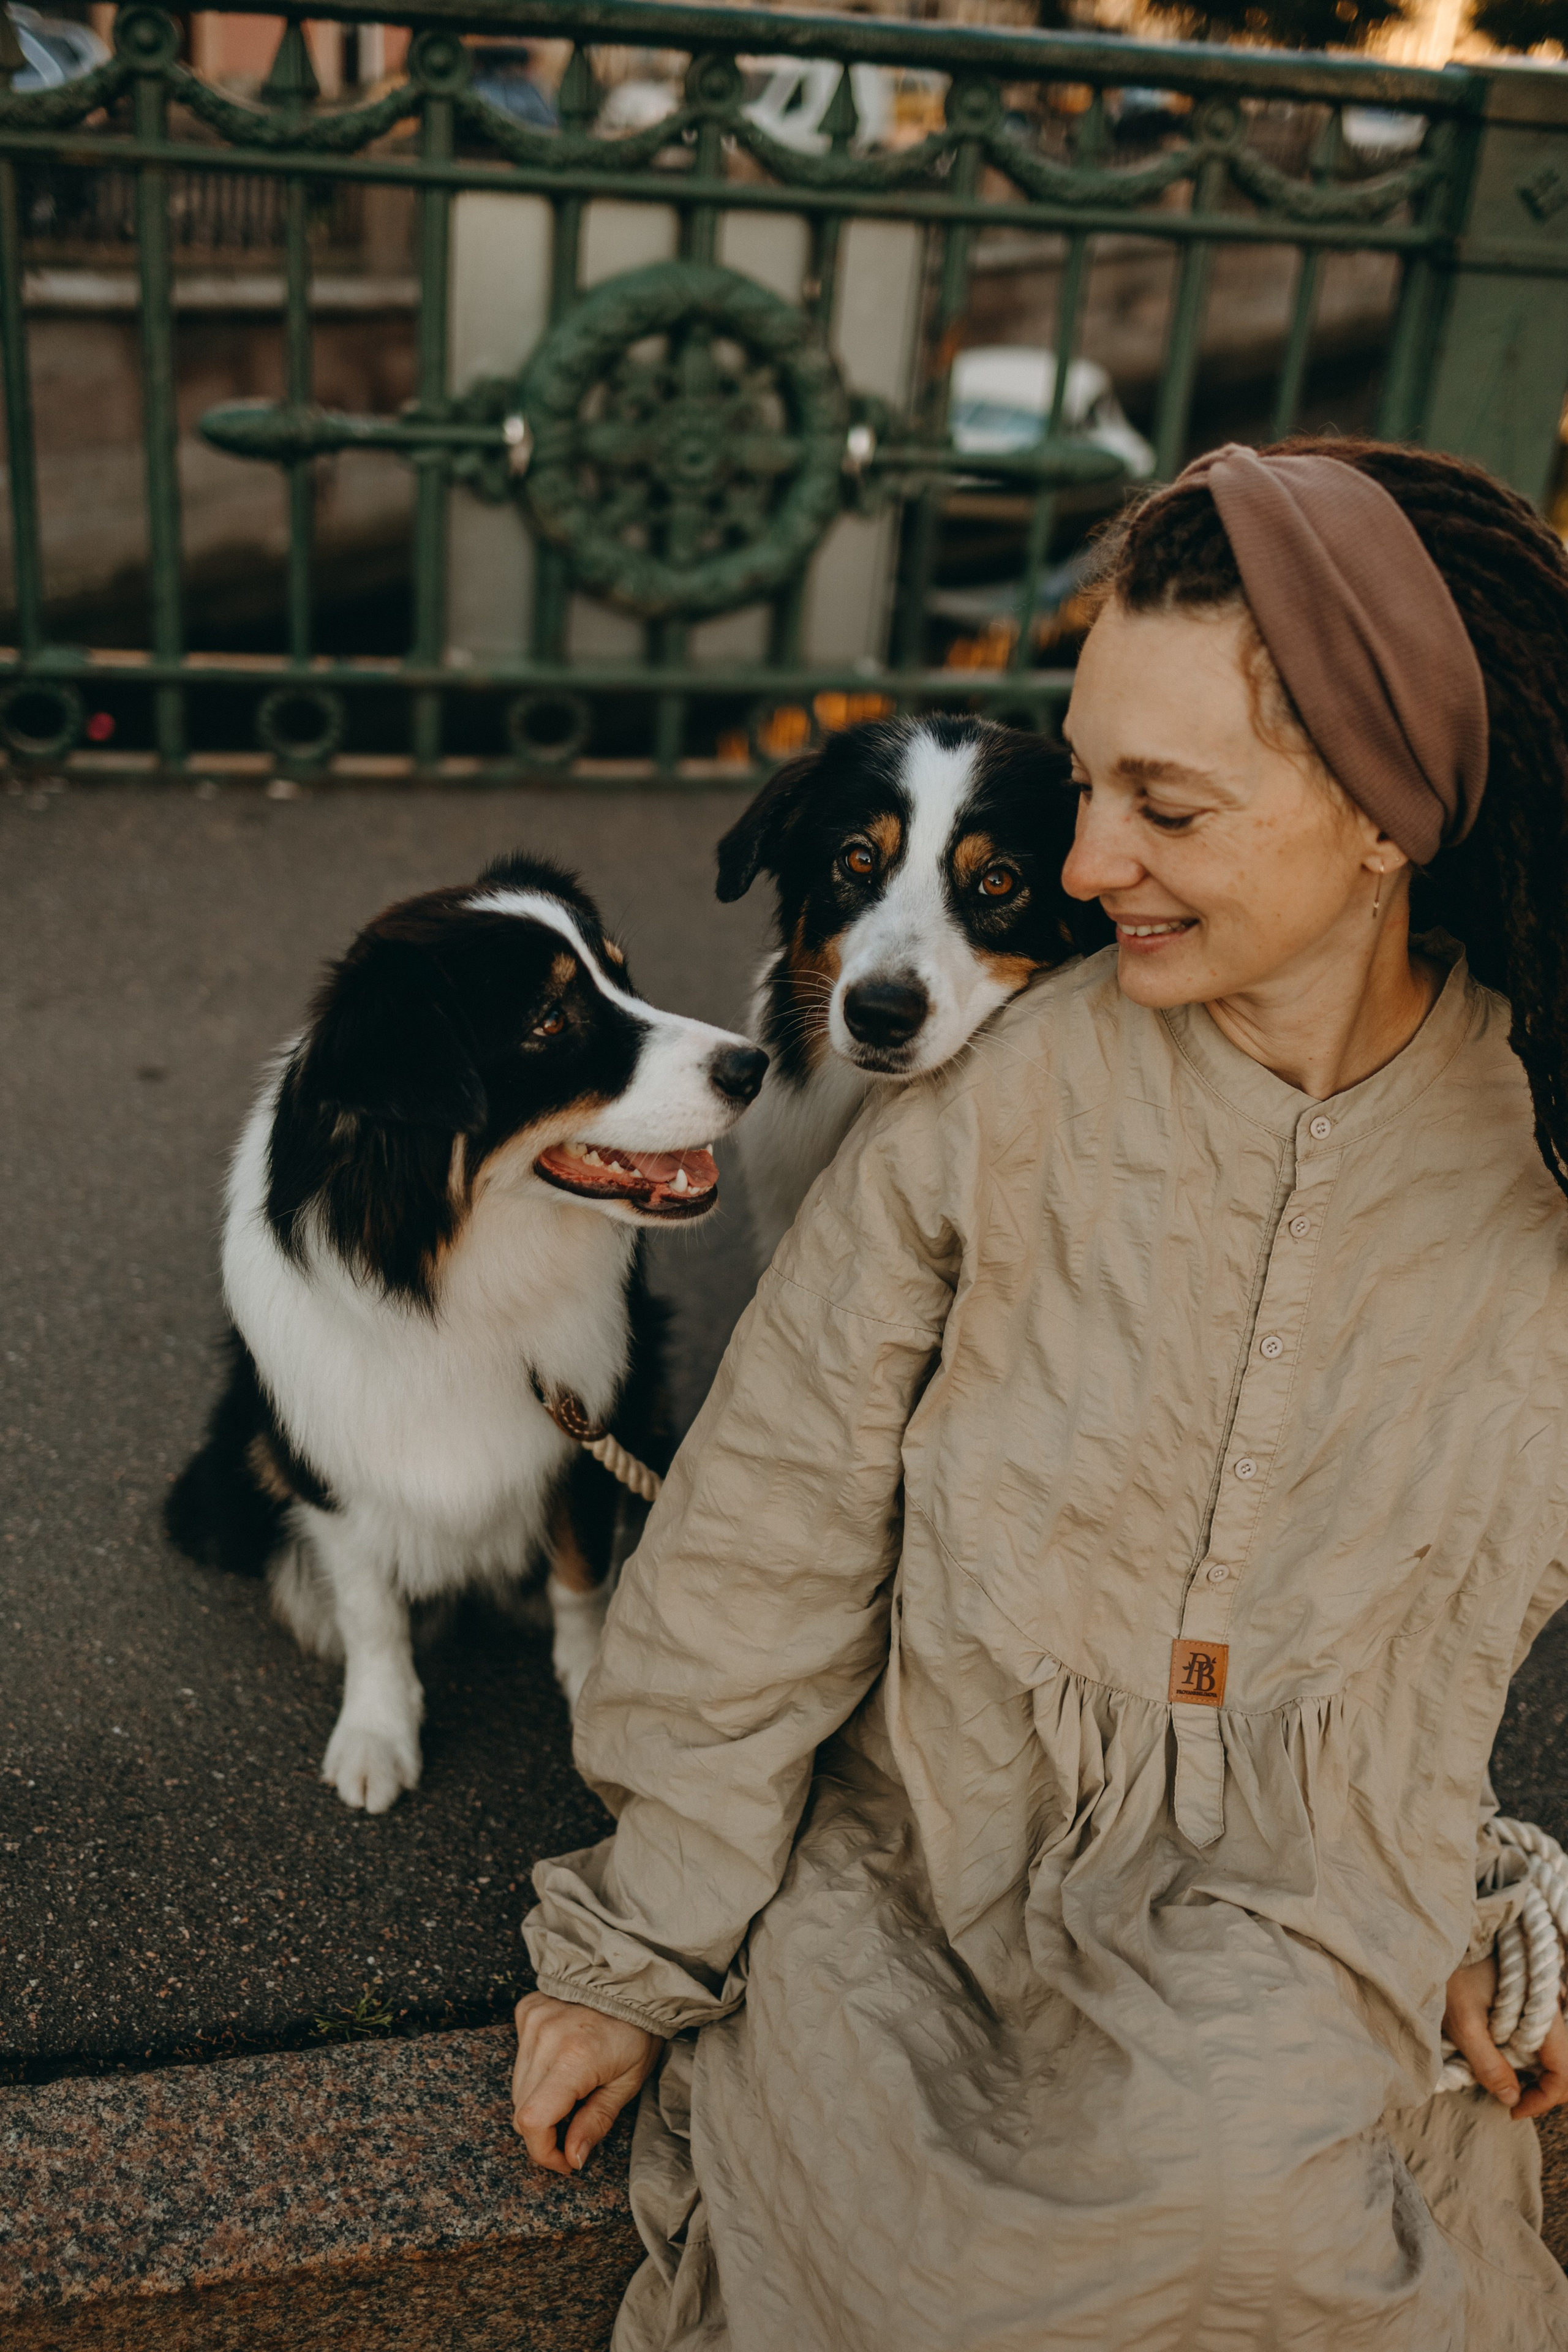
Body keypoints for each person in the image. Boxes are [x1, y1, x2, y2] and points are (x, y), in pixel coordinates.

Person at [510, 437, 1568, 2349]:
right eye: (1087, 783)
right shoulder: (994, 1106)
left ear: (1385, 818)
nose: (1084, 867)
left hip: (1303, 1901)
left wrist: (1453, 1878)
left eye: (1165, 803)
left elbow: (1455, 1609)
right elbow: (771, 1526)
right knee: (941, 2241)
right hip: (933, 1846)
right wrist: (632, 1946)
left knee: (1251, 2210)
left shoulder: (1538, 1155)